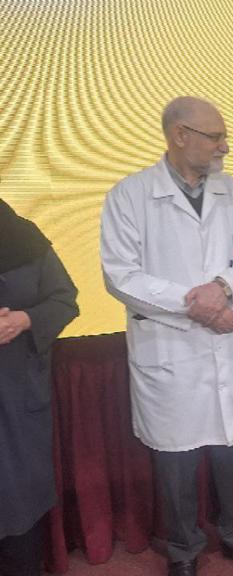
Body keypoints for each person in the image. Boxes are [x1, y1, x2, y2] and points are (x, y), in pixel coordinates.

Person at [100, 96, 233, 576]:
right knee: (175, 462)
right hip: (171, 350)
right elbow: (120, 276)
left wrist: (223, 288)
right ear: (180, 135)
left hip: (229, 341)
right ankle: (183, 550)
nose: (225, 146)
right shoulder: (130, 195)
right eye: (215, 137)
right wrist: (197, 306)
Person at [0, 197, 79, 576]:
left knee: (19, 502)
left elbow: (65, 300)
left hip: (18, 392)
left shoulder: (23, 236)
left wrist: (25, 319)